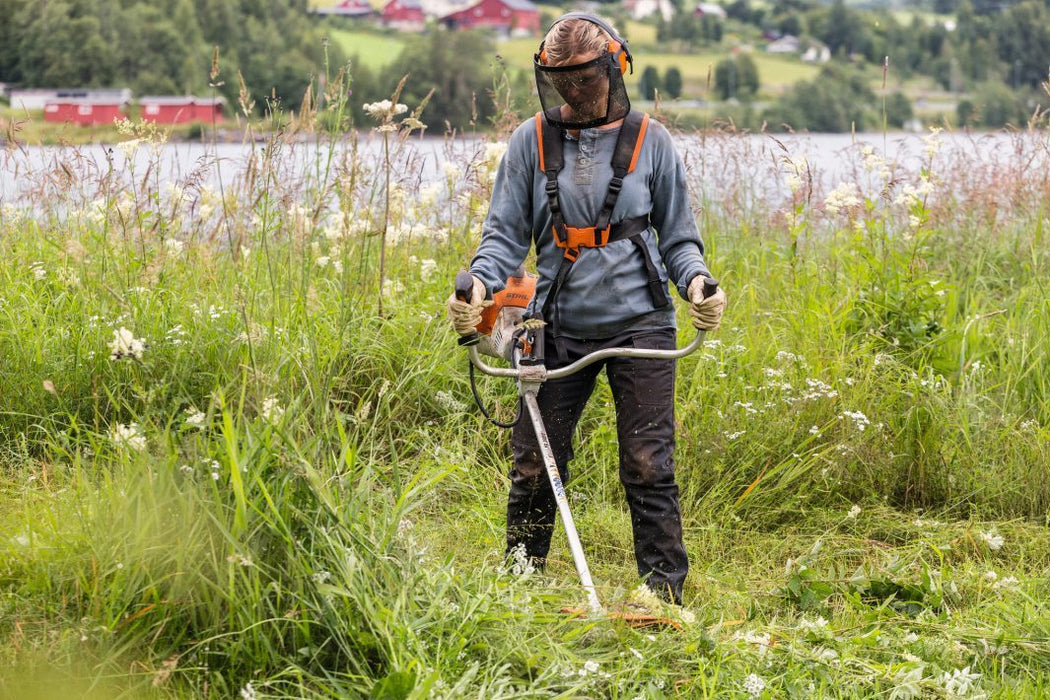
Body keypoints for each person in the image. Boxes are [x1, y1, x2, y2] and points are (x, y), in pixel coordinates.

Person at [446, 12, 727, 606]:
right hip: (557, 323)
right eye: (563, 82)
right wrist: (477, 288)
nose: (575, 93)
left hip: (642, 323)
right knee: (533, 463)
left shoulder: (652, 141)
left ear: (614, 68)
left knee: (648, 462)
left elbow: (679, 240)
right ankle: (520, 587)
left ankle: (662, 596)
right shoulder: (530, 141)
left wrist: (699, 283)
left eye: (586, 80)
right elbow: (502, 238)